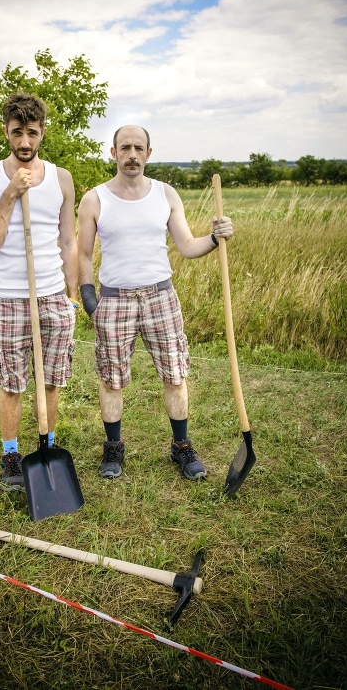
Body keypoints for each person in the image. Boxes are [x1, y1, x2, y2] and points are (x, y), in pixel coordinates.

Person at [78, 125, 233, 481]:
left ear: (149, 153)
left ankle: (181, 447)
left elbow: (187, 246)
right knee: (112, 380)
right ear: (113, 152)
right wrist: (91, 302)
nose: (132, 154)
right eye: (125, 148)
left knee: (175, 374)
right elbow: (83, 255)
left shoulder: (166, 194)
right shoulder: (95, 199)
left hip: (161, 296)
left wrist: (214, 237)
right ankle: (113, 449)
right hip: (114, 300)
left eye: (138, 148)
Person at [0, 92, 79, 491]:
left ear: (42, 132)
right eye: (17, 133)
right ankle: (12, 455)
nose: (24, 143)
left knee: (52, 380)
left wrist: (70, 295)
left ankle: (47, 446)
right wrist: (12, 193)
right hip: (9, 297)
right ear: (6, 131)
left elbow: (69, 241)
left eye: (31, 133)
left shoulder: (61, 177)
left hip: (52, 297)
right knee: (11, 383)